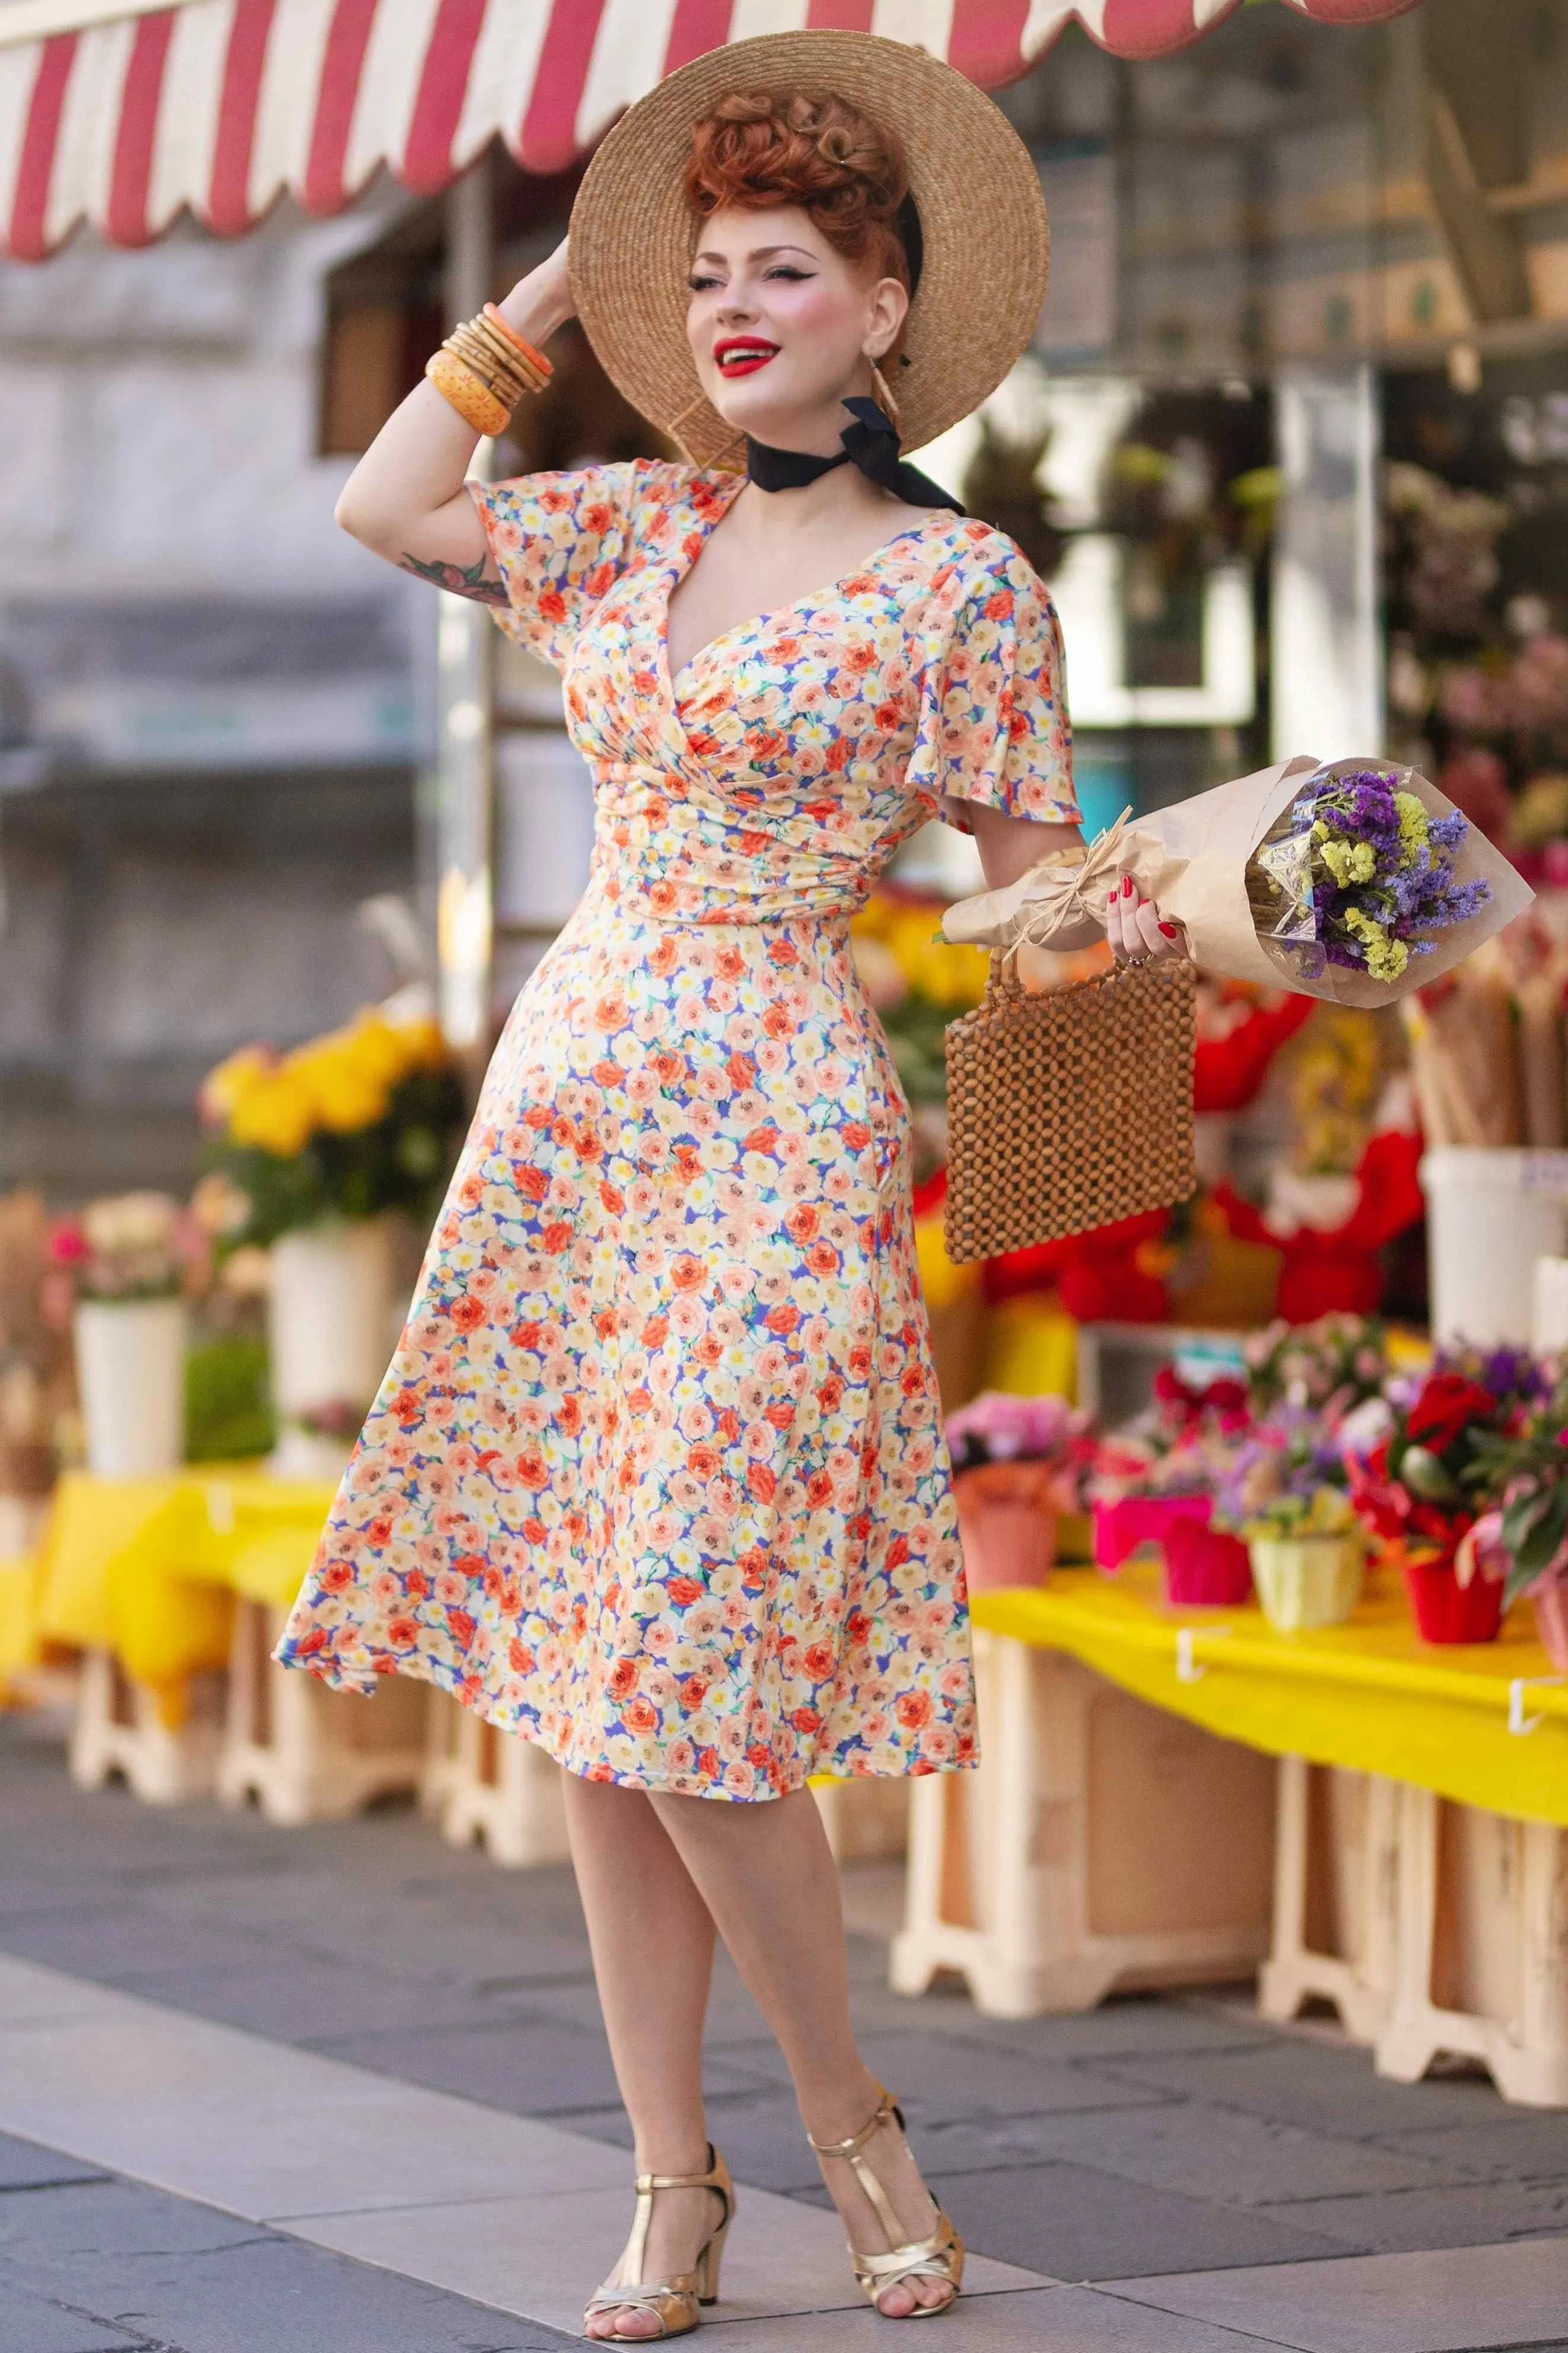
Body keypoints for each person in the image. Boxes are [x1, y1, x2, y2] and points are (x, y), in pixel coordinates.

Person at [276, 30, 1184, 2341]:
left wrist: (1148, 919)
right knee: (598, 1675)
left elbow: (1030, 895)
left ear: (891, 309)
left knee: (681, 1660)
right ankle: (673, 2186)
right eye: (707, 277)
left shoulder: (961, 587)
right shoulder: (632, 519)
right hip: (580, 1099)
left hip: (782, 1103)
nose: (736, 306)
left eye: (789, 267)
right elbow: (382, 510)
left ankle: (853, 2122)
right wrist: (556, 309)